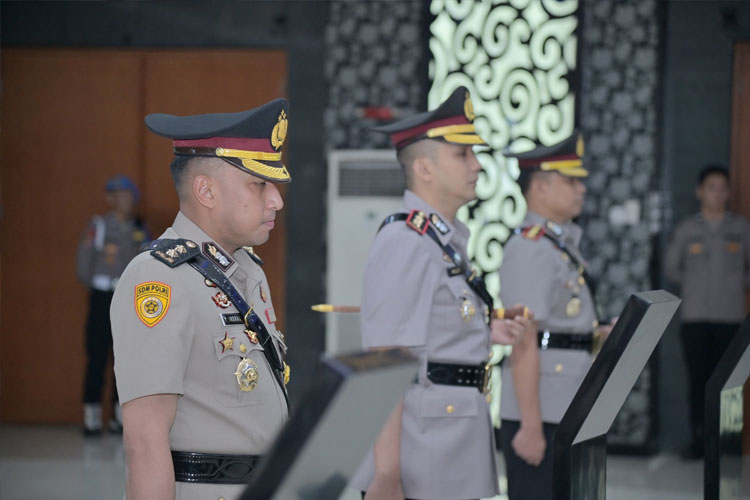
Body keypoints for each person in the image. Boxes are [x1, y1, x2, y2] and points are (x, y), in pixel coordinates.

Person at [350, 86, 532, 500]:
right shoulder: (405, 241)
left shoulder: (440, 240)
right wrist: (386, 474)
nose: (477, 165)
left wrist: (485, 331)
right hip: (421, 450)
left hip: (449, 441)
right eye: (462, 155)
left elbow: (435, 328)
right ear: (425, 169)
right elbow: (386, 361)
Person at [110, 99, 291, 500]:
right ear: (206, 190)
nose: (276, 200)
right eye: (259, 184)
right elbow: (145, 444)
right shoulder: (159, 278)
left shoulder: (247, 270)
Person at [498, 133, 612, 500]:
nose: (582, 189)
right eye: (571, 180)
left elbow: (562, 327)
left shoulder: (558, 245)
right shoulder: (529, 248)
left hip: (567, 400)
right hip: (542, 411)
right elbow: (523, 339)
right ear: (540, 187)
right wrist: (530, 425)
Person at [665, 164, 750, 459]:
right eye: (711, 187)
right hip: (696, 317)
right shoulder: (687, 229)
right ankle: (699, 441)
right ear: (699, 192)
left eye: (723, 188)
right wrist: (695, 284)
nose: (717, 194)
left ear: (729, 192)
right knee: (698, 381)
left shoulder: (740, 228)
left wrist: (736, 282)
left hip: (730, 316)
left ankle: (727, 442)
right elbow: (672, 269)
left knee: (729, 383)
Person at [76, 175, 149, 435]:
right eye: (118, 195)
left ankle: (120, 416)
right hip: (103, 294)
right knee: (97, 355)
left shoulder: (139, 227)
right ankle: (92, 415)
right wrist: (99, 284)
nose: (124, 200)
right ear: (110, 199)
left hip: (128, 297)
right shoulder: (100, 226)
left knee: (125, 358)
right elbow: (83, 264)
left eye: (128, 195)